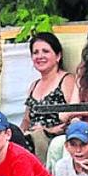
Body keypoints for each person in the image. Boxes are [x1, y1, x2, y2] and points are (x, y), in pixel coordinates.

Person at [22, 32, 74, 162]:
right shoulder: (34, 85)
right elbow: (26, 121)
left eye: (45, 51)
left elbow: (74, 116)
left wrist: (47, 130)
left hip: (55, 139)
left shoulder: (67, 80)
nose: (40, 56)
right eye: (35, 52)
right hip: (31, 139)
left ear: (58, 56)